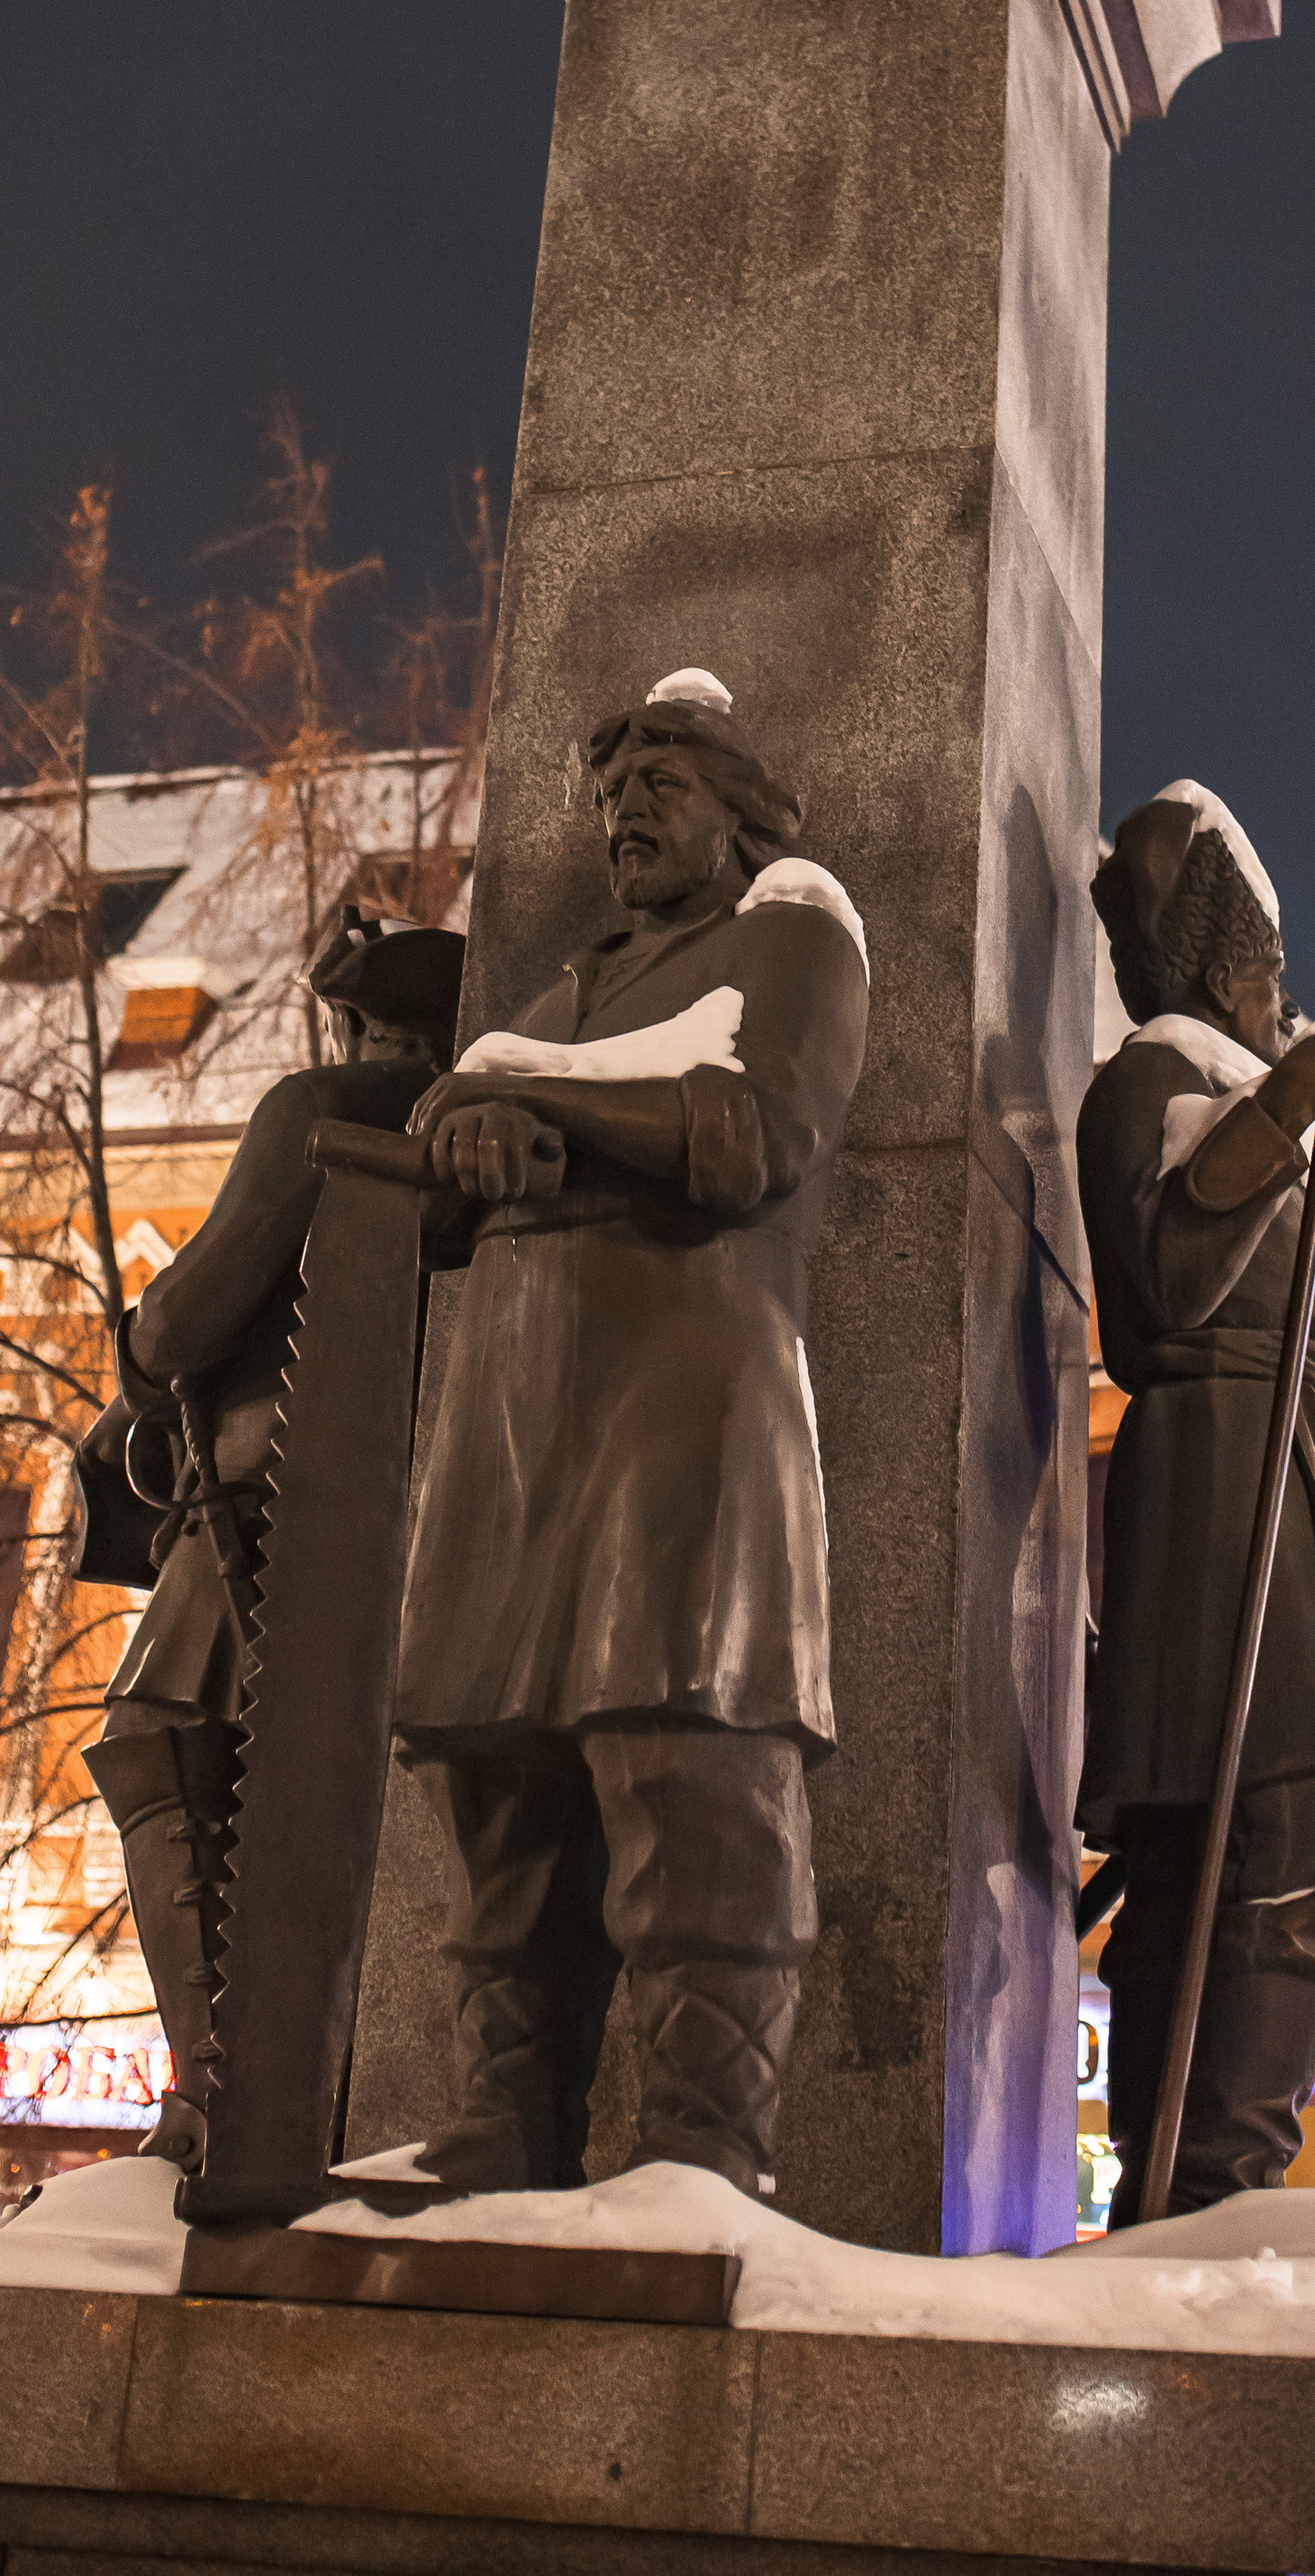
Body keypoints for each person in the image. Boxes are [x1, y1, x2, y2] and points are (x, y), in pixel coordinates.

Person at [395, 668, 868, 2199]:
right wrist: (475, 1128)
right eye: (609, 807)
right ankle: (505, 2118)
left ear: (737, 811)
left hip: (687, 1399)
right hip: (523, 1411)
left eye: (657, 796)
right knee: (504, 1783)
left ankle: (702, 2145)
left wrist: (530, 1101)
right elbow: (455, 1130)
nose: (623, 827)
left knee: (691, 1766)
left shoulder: (795, 930)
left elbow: (745, 1130)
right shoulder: (578, 986)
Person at [1078, 780, 1315, 2219]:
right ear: (1225, 968)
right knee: (1307, 1838)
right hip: (1235, 1491)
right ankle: (1220, 2199)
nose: (1284, 1003)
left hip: (1308, 1492)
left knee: (1232, 1860)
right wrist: (1290, 1098)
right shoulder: (1157, 1081)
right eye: (1274, 975)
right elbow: (1159, 1290)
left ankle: (1191, 2204)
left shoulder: (1230, 1098)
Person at [73, 913, 467, 2171]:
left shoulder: (325, 1101)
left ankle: (212, 2090)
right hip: (424, 1493)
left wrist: (136, 1348)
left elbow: (188, 1321)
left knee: (158, 1750)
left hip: (260, 1490)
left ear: (362, 1020)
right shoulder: (475, 1124)